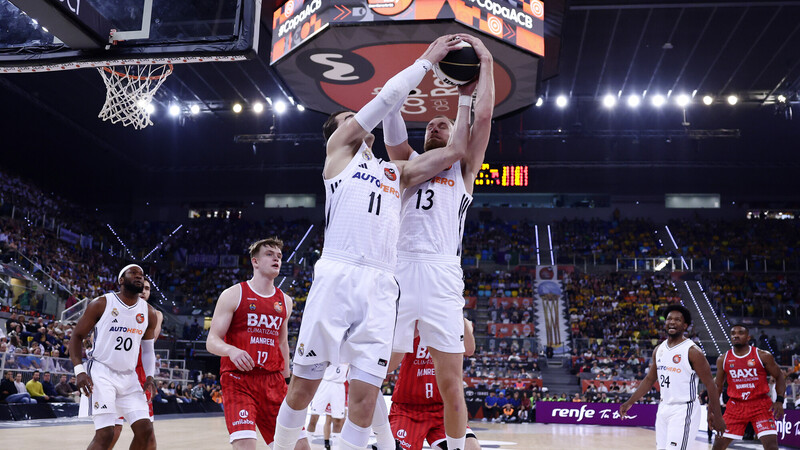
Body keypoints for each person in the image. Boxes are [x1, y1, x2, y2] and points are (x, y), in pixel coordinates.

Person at [272, 35, 470, 450]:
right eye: (350, 118)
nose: (356, 122)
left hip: (382, 285)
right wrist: (427, 61)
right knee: (304, 387)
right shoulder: (339, 153)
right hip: (339, 272)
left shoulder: (398, 172)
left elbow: (454, 152)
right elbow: (385, 103)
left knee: (363, 399)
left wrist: (467, 98)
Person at [376, 32, 495, 450]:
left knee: (451, 381)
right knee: (376, 367)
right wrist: (397, 89)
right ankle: (369, 437)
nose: (433, 125)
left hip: (442, 268)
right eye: (428, 124)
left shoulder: (462, 171)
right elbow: (390, 121)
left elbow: (481, 121)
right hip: (400, 266)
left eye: (441, 123)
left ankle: (458, 445)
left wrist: (484, 64)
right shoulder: (405, 165)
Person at [206, 238, 310, 450]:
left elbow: (282, 342)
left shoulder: (285, 301)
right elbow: (212, 340)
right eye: (270, 254)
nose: (277, 259)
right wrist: (231, 350)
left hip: (273, 381)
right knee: (245, 445)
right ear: (255, 261)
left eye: (279, 256)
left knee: (300, 447)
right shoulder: (234, 294)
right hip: (239, 379)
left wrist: (287, 379)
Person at [71, 264, 158, 450]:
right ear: (121, 280)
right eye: (133, 273)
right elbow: (76, 337)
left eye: (141, 274)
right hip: (101, 372)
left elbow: (149, 350)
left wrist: (150, 377)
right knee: (106, 433)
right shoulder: (102, 303)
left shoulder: (149, 312)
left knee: (146, 430)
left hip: (129, 376)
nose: (139, 276)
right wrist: (79, 371)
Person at [620, 304, 725, 449]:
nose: (672, 322)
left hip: (684, 409)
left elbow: (710, 385)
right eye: (669, 318)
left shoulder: (693, 351)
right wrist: (629, 402)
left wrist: (717, 416)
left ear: (685, 326)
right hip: (663, 408)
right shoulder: (659, 349)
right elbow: (649, 380)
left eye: (677, 320)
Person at [389, 319, 480, 450]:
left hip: (443, 408)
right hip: (409, 408)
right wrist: (406, 333)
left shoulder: (456, 318)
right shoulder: (412, 319)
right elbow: (390, 366)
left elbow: (470, 349)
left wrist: (459, 314)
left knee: (472, 448)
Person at [109, 277, 164, 448]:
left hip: (140, 373)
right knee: (112, 430)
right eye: (141, 287)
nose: (144, 291)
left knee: (148, 434)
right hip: (115, 371)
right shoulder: (114, 308)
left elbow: (149, 340)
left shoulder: (155, 314)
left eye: (147, 288)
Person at [712, 324, 785, 450]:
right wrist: (712, 410)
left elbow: (779, 376)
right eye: (733, 333)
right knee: (718, 446)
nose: (736, 335)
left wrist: (779, 400)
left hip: (760, 405)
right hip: (735, 406)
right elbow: (717, 386)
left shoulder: (763, 355)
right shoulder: (723, 359)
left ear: (748, 337)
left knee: (772, 446)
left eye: (740, 333)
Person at [308, 363, 348, 450]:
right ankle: (307, 446)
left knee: (338, 422)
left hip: (339, 385)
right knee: (313, 418)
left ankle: (336, 447)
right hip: (324, 383)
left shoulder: (348, 351)